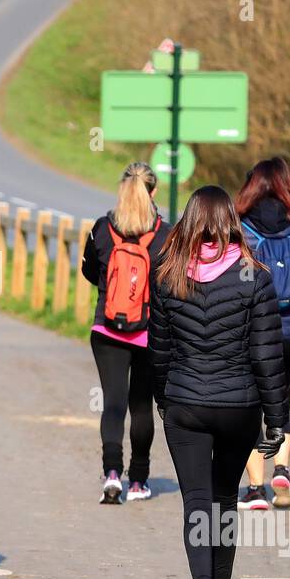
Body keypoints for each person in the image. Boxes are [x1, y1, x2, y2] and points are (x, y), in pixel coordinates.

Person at [148, 185, 286, 579]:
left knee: (195, 502)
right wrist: (276, 418)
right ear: (230, 220)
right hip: (238, 406)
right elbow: (267, 354)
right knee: (225, 500)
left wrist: (164, 398)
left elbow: (160, 349)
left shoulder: (167, 273)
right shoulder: (254, 275)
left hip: (186, 403)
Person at [234, 156, 290, 510]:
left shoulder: (239, 230)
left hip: (250, 332)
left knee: (249, 406)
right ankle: (282, 469)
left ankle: (256, 490)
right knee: (280, 401)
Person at [81, 162, 168, 504]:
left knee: (113, 404)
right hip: (149, 333)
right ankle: (139, 480)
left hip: (106, 330)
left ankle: (112, 472)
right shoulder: (165, 234)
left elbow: (90, 271)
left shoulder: (103, 228)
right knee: (141, 406)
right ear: (154, 192)